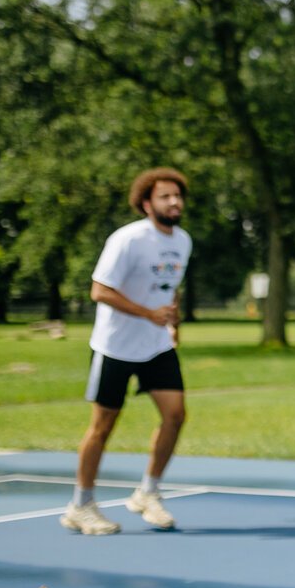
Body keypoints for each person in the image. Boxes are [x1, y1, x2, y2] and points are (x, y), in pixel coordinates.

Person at [61, 168, 192, 535]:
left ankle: (147, 493)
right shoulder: (128, 239)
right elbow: (99, 290)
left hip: (156, 346)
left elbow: (170, 288)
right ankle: (81, 505)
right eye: (165, 196)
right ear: (146, 203)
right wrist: (148, 313)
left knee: (176, 415)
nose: (174, 202)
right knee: (102, 427)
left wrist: (172, 323)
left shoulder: (182, 240)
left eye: (178, 196)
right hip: (115, 347)